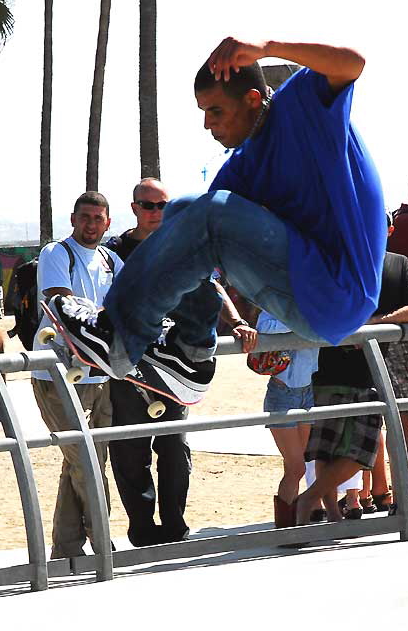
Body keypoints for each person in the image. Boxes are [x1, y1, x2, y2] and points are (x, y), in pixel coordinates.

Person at [46, 38, 386, 404]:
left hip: (339, 292)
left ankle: (118, 337)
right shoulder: (241, 169)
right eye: (203, 112)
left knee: (211, 212)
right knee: (184, 211)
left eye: (216, 111)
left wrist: (266, 47)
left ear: (253, 99)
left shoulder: (301, 104)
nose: (207, 124)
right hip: (302, 292)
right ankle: (189, 352)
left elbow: (353, 63)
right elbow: (192, 250)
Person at [106, 178, 257, 546]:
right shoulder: (114, 251)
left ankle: (174, 525)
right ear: (134, 207)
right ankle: (142, 529)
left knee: (174, 446)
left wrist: (235, 321)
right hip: (130, 365)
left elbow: (212, 287)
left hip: (176, 365)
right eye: (148, 205)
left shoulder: (183, 245)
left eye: (163, 205)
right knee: (129, 449)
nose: (156, 212)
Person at [297, 213, 408, 524]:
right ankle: (325, 508)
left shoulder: (396, 263)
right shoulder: (341, 260)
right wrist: (356, 329)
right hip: (337, 367)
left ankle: (314, 503)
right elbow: (320, 302)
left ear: (391, 229)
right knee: (340, 449)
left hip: (366, 371)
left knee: (355, 449)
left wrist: (371, 326)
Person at [31, 192, 123, 559]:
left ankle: (66, 549)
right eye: (85, 217)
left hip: (100, 377)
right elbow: (62, 302)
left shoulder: (111, 260)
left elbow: (130, 303)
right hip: (58, 376)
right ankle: (103, 541)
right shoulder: (57, 253)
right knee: (85, 461)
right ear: (73, 218)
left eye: (98, 218)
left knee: (83, 462)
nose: (90, 224)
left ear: (108, 223)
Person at [257, 310, 318, 528]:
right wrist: (301, 321)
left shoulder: (314, 304)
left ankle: (291, 523)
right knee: (296, 468)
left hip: (306, 390)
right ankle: (287, 526)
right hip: (282, 392)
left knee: (294, 467)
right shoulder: (279, 303)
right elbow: (263, 326)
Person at [385, 175, 408, 454]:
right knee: (403, 415)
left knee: (400, 418)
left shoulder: (398, 223)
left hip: (395, 331)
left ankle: (395, 491)